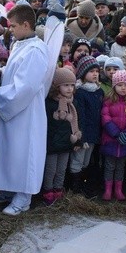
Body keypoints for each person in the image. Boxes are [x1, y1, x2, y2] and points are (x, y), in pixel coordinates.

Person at [0, 5, 53, 215]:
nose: (10, 30)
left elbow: (27, 85)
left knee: (24, 152)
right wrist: (3, 72)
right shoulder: (21, 44)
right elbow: (17, 71)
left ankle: (23, 197)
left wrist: (0, 96)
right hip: (14, 108)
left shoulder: (35, 50)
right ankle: (8, 188)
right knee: (9, 150)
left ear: (26, 24)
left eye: (13, 26)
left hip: (26, 110)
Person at [43, 67, 82, 205]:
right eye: (66, 85)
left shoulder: (73, 103)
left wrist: (77, 140)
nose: (70, 88)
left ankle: (58, 190)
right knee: (51, 169)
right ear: (56, 85)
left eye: (72, 85)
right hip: (52, 143)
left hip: (66, 142)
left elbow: (77, 122)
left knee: (61, 169)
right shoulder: (49, 103)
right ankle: (48, 191)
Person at [100, 69, 126, 201]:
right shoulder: (108, 101)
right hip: (111, 139)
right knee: (110, 166)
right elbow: (105, 117)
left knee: (121, 166)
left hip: (125, 140)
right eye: (120, 85)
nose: (123, 88)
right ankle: (108, 189)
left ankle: (118, 189)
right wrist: (115, 133)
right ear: (114, 85)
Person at [70, 54, 104, 195]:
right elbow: (80, 115)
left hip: (94, 133)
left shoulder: (99, 91)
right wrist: (80, 136)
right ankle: (74, 187)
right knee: (77, 160)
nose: (95, 74)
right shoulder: (80, 92)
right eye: (91, 71)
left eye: (97, 71)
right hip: (83, 133)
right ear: (84, 73)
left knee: (86, 161)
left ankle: (82, 185)